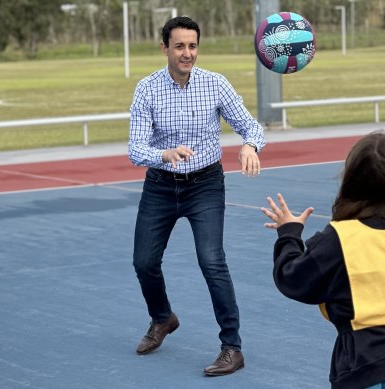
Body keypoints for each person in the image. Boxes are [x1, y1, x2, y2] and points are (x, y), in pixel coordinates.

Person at [261, 131, 385, 389]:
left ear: (351, 182)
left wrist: (289, 234)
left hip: (381, 366)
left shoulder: (342, 239)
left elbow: (294, 279)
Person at [128, 16, 265, 376]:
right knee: (143, 261)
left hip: (205, 185)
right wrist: (165, 154)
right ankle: (163, 319)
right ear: (164, 48)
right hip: (160, 184)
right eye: (179, 46)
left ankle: (232, 348)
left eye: (192, 46)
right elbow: (135, 148)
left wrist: (250, 145)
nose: (187, 53)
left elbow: (250, 125)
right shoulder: (147, 89)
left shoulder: (215, 84)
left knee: (212, 261)